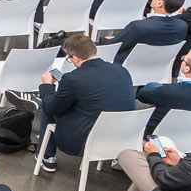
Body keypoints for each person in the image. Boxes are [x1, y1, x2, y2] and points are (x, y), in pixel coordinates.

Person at [37, 34, 136, 173]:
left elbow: (52, 107)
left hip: (85, 140)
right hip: (118, 137)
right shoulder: (122, 70)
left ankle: (47, 157)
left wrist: (47, 86)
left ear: (75, 58)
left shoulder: (72, 78)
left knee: (48, 107)